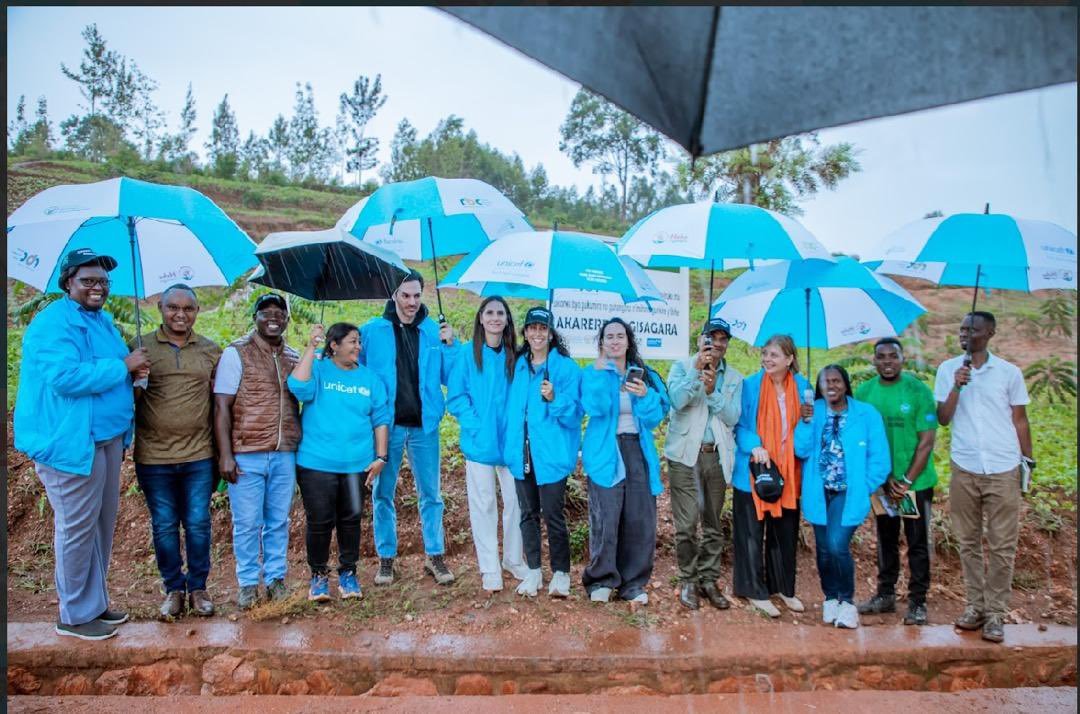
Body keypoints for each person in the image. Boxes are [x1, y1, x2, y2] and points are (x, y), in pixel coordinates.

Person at [14, 248, 151, 640]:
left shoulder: (102, 321)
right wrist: (123, 367)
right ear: (68, 282)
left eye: (104, 282)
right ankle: (73, 614)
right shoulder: (52, 324)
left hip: (106, 441)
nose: (98, 288)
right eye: (88, 280)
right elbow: (66, 378)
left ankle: (94, 604)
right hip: (72, 443)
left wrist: (134, 374)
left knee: (100, 526)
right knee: (76, 528)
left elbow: (113, 370)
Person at [935, 311, 1033, 644]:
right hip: (965, 467)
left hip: (1003, 467)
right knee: (968, 542)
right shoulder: (948, 369)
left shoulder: (1009, 372)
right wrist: (956, 387)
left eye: (973, 330)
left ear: (990, 332)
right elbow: (943, 419)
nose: (965, 335)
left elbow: (1019, 419)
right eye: (962, 329)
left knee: (1003, 546)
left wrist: (1028, 461)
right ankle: (975, 607)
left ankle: (996, 614)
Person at [360, 270, 458, 586]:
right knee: (382, 494)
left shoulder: (433, 331)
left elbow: (451, 376)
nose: (412, 302)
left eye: (417, 295)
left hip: (424, 426)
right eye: (406, 295)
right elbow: (354, 371)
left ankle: (435, 556)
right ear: (394, 295)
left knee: (431, 494)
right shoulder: (372, 332)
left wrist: (451, 346)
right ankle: (386, 559)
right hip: (387, 427)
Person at [132, 283, 222, 621]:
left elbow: (221, 402)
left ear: (197, 311)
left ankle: (198, 588)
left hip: (199, 454)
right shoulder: (140, 349)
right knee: (165, 525)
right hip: (154, 457)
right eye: (173, 308)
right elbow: (126, 402)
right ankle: (173, 588)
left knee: (198, 523)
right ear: (160, 308)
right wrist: (135, 376)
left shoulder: (211, 351)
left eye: (188, 309)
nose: (180, 315)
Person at [288, 323, 390, 602]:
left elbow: (380, 419)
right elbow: (297, 386)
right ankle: (318, 576)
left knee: (351, 520)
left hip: (356, 466)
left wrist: (381, 457)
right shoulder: (319, 370)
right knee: (319, 522)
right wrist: (311, 346)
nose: (358, 347)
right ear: (334, 345)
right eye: (352, 342)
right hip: (316, 464)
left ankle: (348, 573)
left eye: (359, 342)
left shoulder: (370, 379)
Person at [213, 293, 301, 610]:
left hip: (284, 453)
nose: (273, 317)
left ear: (288, 319)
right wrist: (225, 454)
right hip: (247, 451)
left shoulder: (293, 356)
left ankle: (276, 579)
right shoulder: (236, 354)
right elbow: (222, 406)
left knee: (278, 520)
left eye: (280, 312)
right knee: (248, 522)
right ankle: (248, 583)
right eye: (266, 312)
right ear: (255, 317)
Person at [581, 318, 669, 605]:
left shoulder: (645, 375)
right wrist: (598, 373)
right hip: (605, 450)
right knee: (605, 516)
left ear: (629, 340)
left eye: (620, 335)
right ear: (602, 342)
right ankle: (601, 580)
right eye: (610, 336)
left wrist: (644, 395)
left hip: (637, 450)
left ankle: (633, 584)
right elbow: (593, 407)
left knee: (639, 518)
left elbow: (656, 418)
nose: (615, 341)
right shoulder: (593, 372)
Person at [795, 364, 891, 629]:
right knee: (824, 549)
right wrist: (804, 423)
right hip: (819, 490)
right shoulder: (813, 411)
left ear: (846, 384)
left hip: (848, 493)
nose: (831, 387)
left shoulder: (866, 414)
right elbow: (800, 450)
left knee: (838, 545)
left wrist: (863, 485)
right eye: (825, 383)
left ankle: (847, 602)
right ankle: (830, 597)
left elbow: (880, 459)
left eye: (836, 381)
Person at [447, 297, 529, 593]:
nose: (495, 318)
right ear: (481, 318)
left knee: (516, 502)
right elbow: (456, 397)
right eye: (490, 313)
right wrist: (475, 424)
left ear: (507, 319)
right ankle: (490, 567)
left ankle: (512, 559)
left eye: (501, 313)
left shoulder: (516, 356)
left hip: (510, 443)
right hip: (480, 442)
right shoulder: (467, 355)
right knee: (484, 504)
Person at [855, 337, 938, 625]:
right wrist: (885, 479)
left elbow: (926, 442)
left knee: (916, 542)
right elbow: (860, 437)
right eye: (882, 357)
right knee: (886, 538)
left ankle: (917, 602)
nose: (887, 361)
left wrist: (904, 481)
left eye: (893, 356)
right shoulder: (865, 393)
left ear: (903, 359)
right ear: (874, 361)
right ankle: (885, 595)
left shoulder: (918, 391)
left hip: (914, 485)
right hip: (882, 485)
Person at [502, 307, 583, 597]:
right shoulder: (517, 366)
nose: (537, 333)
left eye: (543, 328)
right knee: (527, 514)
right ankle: (534, 570)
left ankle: (561, 573)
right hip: (521, 453)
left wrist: (554, 397)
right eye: (532, 328)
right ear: (525, 332)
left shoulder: (566, 369)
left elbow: (575, 416)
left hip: (552, 455)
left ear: (551, 334)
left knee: (553, 513)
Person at [665, 317, 743, 610]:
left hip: (717, 455)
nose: (717, 343)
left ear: (727, 343)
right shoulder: (682, 366)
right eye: (712, 337)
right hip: (684, 455)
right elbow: (676, 401)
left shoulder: (734, 378)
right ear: (701, 339)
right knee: (686, 525)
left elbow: (733, 417)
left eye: (723, 338)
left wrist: (713, 394)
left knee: (713, 524)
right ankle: (687, 579)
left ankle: (708, 579)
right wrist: (696, 375)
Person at [731, 334, 812, 618]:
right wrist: (755, 445)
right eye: (765, 354)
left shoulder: (804, 388)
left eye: (774, 355)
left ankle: (783, 588)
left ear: (790, 359)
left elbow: (806, 440)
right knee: (750, 533)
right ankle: (754, 590)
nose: (767, 359)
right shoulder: (751, 385)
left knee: (785, 533)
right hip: (754, 470)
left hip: (788, 470)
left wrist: (806, 420)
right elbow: (739, 425)